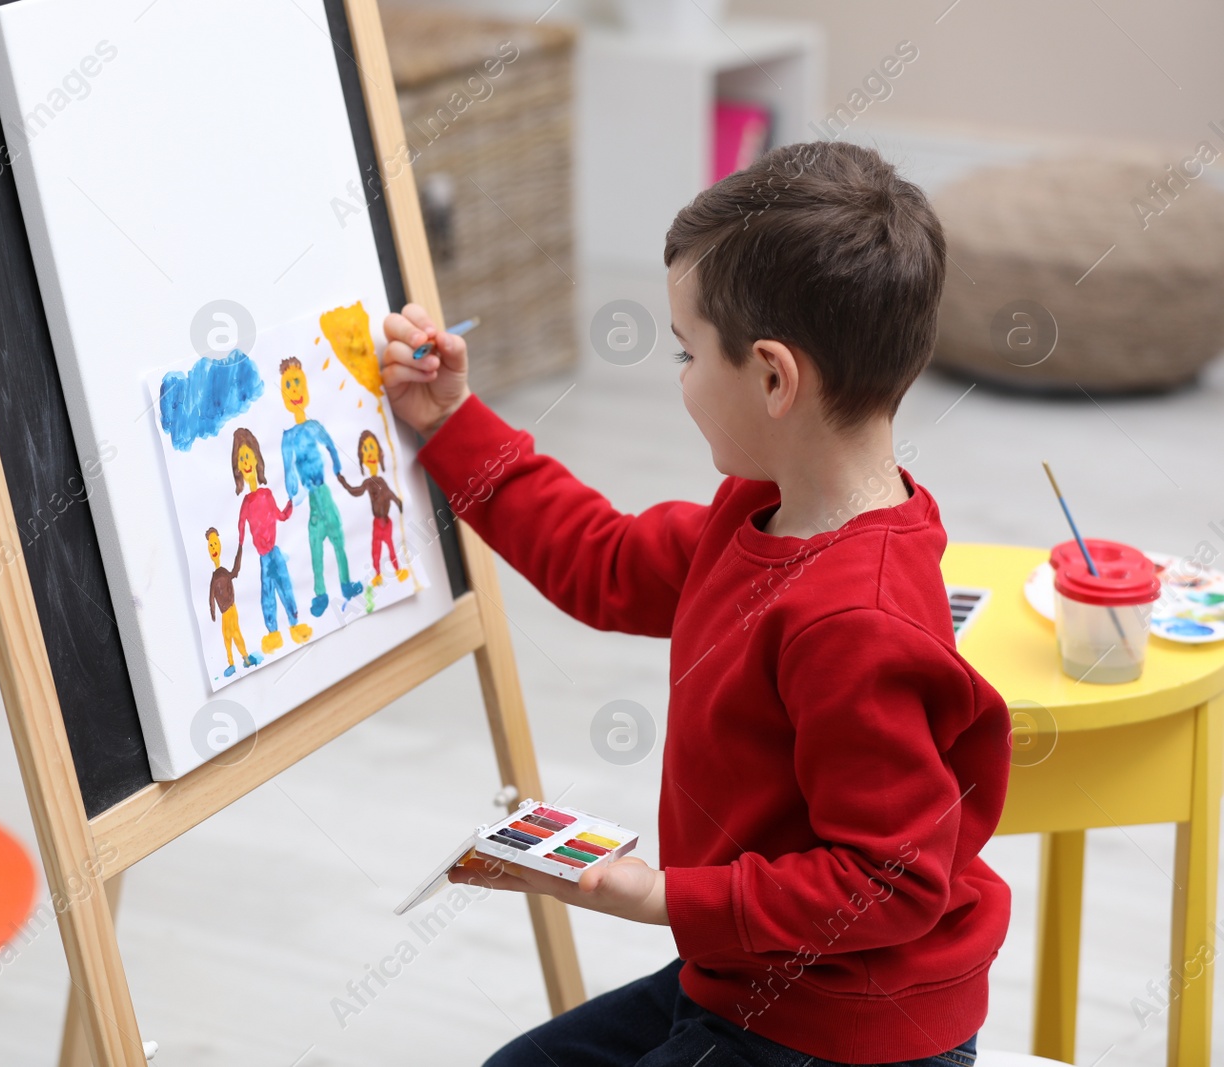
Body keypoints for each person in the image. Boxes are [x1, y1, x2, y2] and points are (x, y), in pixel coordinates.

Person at [378, 140, 1011, 1067]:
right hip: (750, 973)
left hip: (844, 1028)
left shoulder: (855, 620)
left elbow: (891, 879)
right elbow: (602, 561)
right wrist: (450, 423)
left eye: (685, 351)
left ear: (772, 376)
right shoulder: (759, 513)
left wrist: (664, 897)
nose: (677, 378)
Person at [278, 357, 365, 616]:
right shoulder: (288, 437)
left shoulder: (315, 426)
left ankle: (346, 584)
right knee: (315, 546)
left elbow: (330, 445)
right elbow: (287, 469)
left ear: (305, 388)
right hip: (313, 498)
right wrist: (293, 489)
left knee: (338, 539)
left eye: (297, 383)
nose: (294, 390)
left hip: (325, 493)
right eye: (288, 386)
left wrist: (338, 466)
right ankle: (321, 594)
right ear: (283, 395)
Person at [232, 426, 311, 654]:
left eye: (248, 456)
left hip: (274, 553)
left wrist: (290, 505)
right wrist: (237, 556)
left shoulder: (266, 495)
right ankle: (273, 632)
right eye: (241, 459)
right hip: (263, 557)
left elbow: (280, 515)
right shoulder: (246, 503)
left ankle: (295, 624)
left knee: (285, 586)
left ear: (256, 460)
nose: (246, 462)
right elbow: (240, 531)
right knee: (267, 593)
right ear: (238, 468)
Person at [336, 429, 408, 586]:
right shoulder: (368, 483)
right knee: (376, 550)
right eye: (366, 450)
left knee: (390, 546)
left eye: (372, 448)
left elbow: (390, 494)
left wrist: (399, 503)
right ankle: (377, 574)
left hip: (387, 522)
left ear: (379, 453)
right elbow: (357, 491)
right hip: (377, 523)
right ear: (362, 457)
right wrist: (344, 483)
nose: (369, 453)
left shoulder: (382, 481)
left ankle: (397, 569)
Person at [203, 526, 260, 677]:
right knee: (226, 637)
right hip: (224, 613)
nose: (213, 548)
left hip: (231, 610)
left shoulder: (224, 573)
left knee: (234, 633)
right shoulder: (214, 577)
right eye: (211, 545)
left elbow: (236, 570)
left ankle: (245, 658)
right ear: (209, 550)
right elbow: (211, 596)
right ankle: (232, 663)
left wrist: (240, 548)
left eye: (215, 544)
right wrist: (213, 611)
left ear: (220, 546)